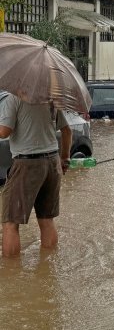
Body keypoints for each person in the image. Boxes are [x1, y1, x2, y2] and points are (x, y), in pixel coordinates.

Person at [0, 92, 72, 258]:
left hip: (27, 163)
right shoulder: (51, 99)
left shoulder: (14, 98)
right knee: (46, 220)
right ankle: (48, 266)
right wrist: (65, 159)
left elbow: (4, 132)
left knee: (10, 223)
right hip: (52, 162)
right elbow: (67, 131)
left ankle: (12, 275)